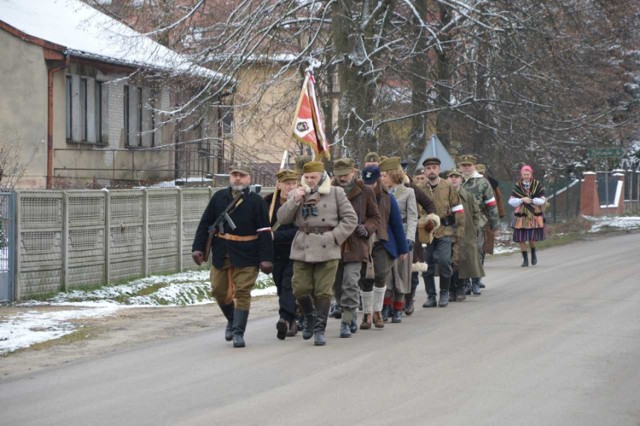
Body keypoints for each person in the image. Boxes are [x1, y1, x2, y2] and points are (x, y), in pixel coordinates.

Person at [192, 163, 274, 348]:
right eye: (234, 175)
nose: (237, 178)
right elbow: (205, 224)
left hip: (248, 253)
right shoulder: (219, 198)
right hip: (222, 251)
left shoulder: (256, 201)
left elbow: (264, 231)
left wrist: (266, 258)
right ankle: (231, 319)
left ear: (249, 178)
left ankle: (238, 332)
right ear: (230, 176)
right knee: (218, 290)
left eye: (242, 175)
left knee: (242, 291)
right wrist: (197, 248)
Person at [277, 161, 357, 346]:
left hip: (327, 246)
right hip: (302, 245)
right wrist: (295, 200)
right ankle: (310, 316)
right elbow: (282, 218)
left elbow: (350, 218)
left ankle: (319, 329)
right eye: (307, 177)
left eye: (314, 177)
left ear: (322, 176)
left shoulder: (336, 193)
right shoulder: (297, 193)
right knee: (300, 288)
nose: (310, 181)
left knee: (323, 290)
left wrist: (335, 237)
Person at [331, 158, 381, 338]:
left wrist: (366, 228)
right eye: (339, 175)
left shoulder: (365, 191)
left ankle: (346, 320)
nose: (342, 178)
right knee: (337, 287)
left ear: (353, 172)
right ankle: (350, 314)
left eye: (345, 174)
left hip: (356, 244)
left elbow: (375, 217)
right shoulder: (329, 190)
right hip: (333, 244)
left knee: (351, 283)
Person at [359, 165, 408, 329]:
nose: (369, 186)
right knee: (365, 278)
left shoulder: (388, 197)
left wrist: (403, 248)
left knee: (380, 276)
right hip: (363, 242)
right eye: (367, 182)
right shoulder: (358, 196)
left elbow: (397, 224)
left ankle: (378, 311)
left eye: (372, 182)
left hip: (383, 242)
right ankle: (367, 314)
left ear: (378, 180)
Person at [420, 157, 465, 308]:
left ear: (439, 170)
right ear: (424, 171)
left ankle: (444, 292)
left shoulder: (447, 186)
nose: (431, 170)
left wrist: (459, 229)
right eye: (428, 168)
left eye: (434, 168)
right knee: (427, 265)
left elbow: (457, 209)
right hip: (425, 232)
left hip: (445, 230)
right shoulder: (419, 188)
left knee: (445, 261)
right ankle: (431, 296)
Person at [379, 157, 417, 322]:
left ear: (393, 175)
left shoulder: (408, 192)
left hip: (402, 235)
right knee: (386, 273)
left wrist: (410, 238)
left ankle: (398, 308)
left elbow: (412, 217)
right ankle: (386, 306)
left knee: (401, 273)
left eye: (385, 175)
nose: (382, 178)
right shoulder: (380, 192)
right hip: (386, 236)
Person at [264, 169, 300, 340]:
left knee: (288, 283)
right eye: (287, 183)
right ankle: (293, 318)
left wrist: (275, 235)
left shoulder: (301, 203)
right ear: (279, 185)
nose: (290, 187)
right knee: (280, 285)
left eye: (294, 183)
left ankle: (284, 318)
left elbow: (300, 230)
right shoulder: (268, 202)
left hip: (296, 251)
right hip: (275, 253)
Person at [459, 155, 499, 295]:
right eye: (463, 165)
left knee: (477, 251)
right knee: (462, 252)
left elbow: (491, 203)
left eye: (469, 165)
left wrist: (494, 223)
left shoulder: (482, 182)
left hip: (478, 221)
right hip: (459, 221)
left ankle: (476, 281)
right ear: (460, 167)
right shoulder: (455, 180)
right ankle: (465, 283)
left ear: (474, 166)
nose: (466, 167)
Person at [446, 169, 484, 301]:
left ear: (461, 180)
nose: (454, 179)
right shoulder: (442, 195)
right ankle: (450, 290)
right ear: (447, 179)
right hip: (447, 232)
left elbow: (475, 214)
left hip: (466, 233)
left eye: (457, 177)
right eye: (451, 177)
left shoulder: (468, 196)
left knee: (462, 260)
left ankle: (461, 287)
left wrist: (475, 229)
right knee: (448, 260)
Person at [508, 165, 546, 267]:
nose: (526, 176)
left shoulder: (537, 185)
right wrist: (521, 200)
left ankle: (533, 252)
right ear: (521, 174)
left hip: (533, 214)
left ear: (531, 174)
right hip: (520, 215)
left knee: (531, 237)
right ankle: (525, 259)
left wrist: (532, 200)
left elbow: (542, 200)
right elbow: (511, 201)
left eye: (527, 174)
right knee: (520, 238)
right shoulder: (517, 186)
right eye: (524, 174)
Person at [477, 163, 506, 256]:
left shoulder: (491, 182)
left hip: (489, 211)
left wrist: (500, 212)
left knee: (489, 232)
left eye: (482, 171)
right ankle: (479, 252)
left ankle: (484, 252)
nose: (481, 173)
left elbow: (499, 197)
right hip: (478, 212)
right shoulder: (471, 182)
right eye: (479, 171)